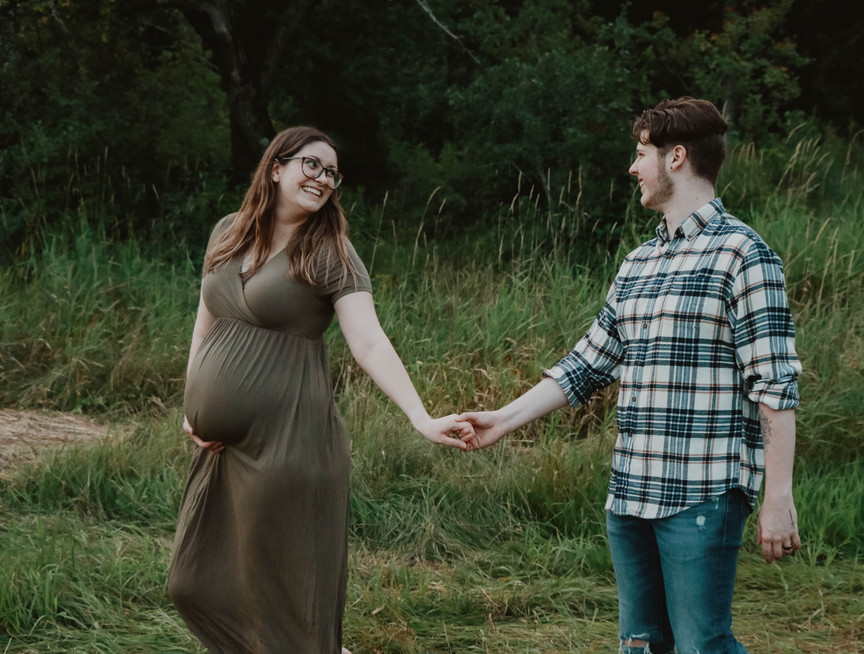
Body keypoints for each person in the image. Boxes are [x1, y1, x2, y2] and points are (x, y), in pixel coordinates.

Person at [460, 97, 803, 653]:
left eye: (641, 153)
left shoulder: (744, 255)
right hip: (630, 493)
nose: (632, 167)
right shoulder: (638, 262)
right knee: (639, 645)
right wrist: (502, 420)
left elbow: (775, 385)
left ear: (676, 157)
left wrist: (777, 496)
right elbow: (587, 363)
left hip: (702, 495)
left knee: (702, 645)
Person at [168, 126, 472, 654]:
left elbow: (369, 342)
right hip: (221, 449)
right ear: (276, 167)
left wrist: (421, 417)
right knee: (193, 583)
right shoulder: (227, 232)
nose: (324, 179)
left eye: (332, 173)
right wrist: (192, 406)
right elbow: (205, 325)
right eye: (312, 164)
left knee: (287, 601)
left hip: (290, 443)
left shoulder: (330, 252)